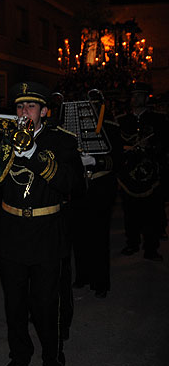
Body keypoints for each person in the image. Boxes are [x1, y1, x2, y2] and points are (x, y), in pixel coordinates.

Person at [0, 82, 84, 366]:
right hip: (11, 231)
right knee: (14, 303)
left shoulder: (62, 141)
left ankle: (53, 360)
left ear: (43, 111)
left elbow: (73, 185)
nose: (23, 112)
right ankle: (20, 354)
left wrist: (33, 153)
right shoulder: (3, 139)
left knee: (45, 304)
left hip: (46, 232)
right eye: (19, 106)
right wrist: (6, 147)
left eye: (30, 106)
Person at [70, 110, 123, 298]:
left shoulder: (109, 125)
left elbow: (118, 159)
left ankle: (100, 283)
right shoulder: (72, 126)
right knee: (78, 236)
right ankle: (82, 276)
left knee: (99, 237)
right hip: (78, 188)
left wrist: (95, 160)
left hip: (100, 188)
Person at [117, 82, 168, 261]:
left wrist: (151, 147)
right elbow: (115, 147)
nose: (135, 98)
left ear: (147, 98)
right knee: (130, 212)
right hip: (128, 176)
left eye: (139, 95)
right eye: (133, 95)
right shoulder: (121, 121)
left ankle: (151, 248)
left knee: (152, 213)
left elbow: (165, 145)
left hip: (150, 175)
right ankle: (132, 243)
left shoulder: (159, 120)